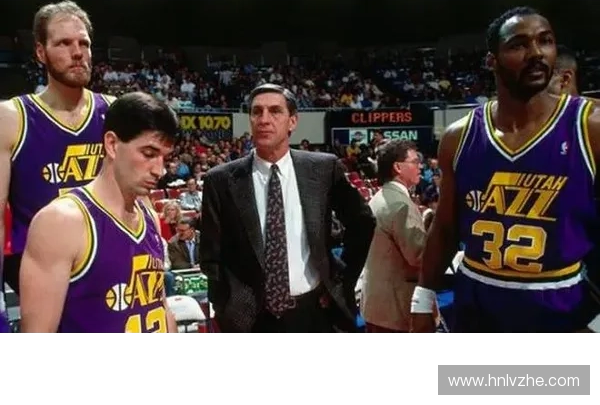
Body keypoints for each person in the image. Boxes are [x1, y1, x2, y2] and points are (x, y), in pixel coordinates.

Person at [411, 6, 600, 333]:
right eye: (519, 45)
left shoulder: (589, 127)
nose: (536, 53)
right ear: (492, 61)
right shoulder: (459, 136)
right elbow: (445, 228)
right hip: (476, 301)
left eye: (545, 41)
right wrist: (422, 298)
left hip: (561, 303)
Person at [200, 83, 376, 333]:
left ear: (292, 121)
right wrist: (227, 308)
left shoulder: (324, 169)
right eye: (256, 112)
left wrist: (341, 281)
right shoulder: (220, 179)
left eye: (275, 111)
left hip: (315, 310)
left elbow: (363, 223)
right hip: (249, 320)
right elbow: (210, 256)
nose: (264, 119)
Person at [19, 92, 179, 333]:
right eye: (148, 154)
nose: (160, 170)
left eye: (164, 158)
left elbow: (160, 305)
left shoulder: (149, 217)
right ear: (112, 144)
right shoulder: (61, 222)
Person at [0, 0, 114, 296]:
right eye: (64, 43)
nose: (77, 52)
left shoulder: (114, 112)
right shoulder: (11, 117)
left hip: (109, 264)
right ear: (40, 52)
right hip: (43, 272)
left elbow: (136, 201)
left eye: (84, 43)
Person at [360, 140, 427, 332]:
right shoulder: (401, 205)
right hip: (396, 309)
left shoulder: (379, 197)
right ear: (398, 167)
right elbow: (419, 257)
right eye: (415, 161)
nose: (420, 166)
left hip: (376, 304)